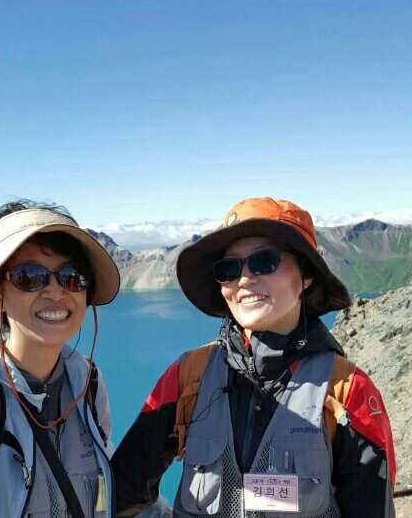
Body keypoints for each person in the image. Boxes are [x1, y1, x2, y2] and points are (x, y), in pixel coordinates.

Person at [112, 197, 396, 517]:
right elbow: (121, 491)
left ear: (306, 275)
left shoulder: (347, 391)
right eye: (229, 268)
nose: (244, 279)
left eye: (265, 261)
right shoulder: (187, 376)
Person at [0, 200, 170, 518]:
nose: (55, 291)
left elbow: (101, 488)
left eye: (72, 276)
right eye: (30, 276)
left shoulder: (87, 380)